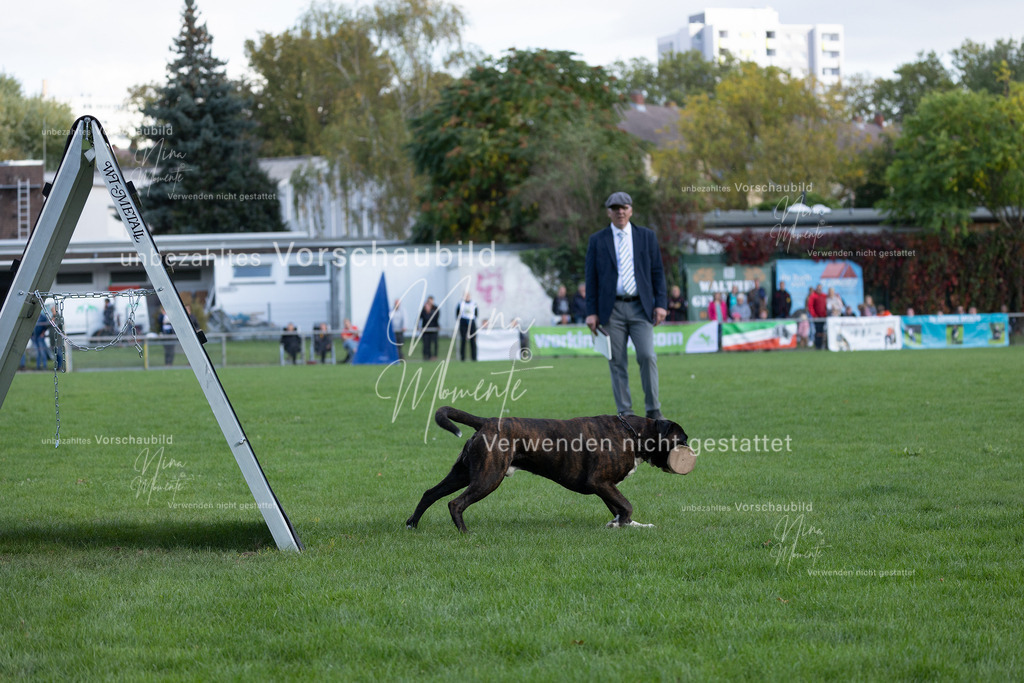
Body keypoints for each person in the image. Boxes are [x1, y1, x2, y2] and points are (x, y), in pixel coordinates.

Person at [585, 191, 668, 420]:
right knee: (617, 362)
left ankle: (653, 410)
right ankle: (626, 413)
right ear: (608, 212)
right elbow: (590, 278)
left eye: (624, 207)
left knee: (647, 356)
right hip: (611, 311)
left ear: (631, 210)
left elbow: (657, 272)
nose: (620, 211)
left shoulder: (647, 237)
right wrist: (591, 312)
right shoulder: (597, 240)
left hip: (641, 308)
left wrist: (661, 304)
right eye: (615, 208)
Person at [455, 290, 479, 361]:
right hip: (463, 322)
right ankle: (462, 358)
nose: (467, 297)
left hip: (471, 323)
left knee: (473, 341)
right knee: (463, 340)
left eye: (468, 295)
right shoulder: (460, 303)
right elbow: (457, 314)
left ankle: (474, 357)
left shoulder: (474, 303)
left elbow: (476, 313)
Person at [418, 296, 440, 361]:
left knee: (435, 343)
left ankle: (435, 355)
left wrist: (430, 312)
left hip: (433, 329)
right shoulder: (424, 309)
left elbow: (436, 318)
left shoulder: (435, 308)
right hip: (425, 329)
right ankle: (427, 356)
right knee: (426, 343)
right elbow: (420, 318)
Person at [807, 284, 828, 349]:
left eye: (820, 288)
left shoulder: (824, 296)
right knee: (817, 332)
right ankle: (817, 345)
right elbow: (810, 306)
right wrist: (814, 315)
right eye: (818, 288)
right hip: (817, 318)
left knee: (823, 331)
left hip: (824, 317)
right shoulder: (813, 296)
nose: (819, 290)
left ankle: (823, 345)